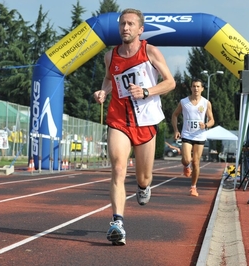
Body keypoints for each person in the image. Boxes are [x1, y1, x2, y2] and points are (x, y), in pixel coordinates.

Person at [93, 8, 175, 246]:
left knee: (144, 176)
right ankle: (117, 222)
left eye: (130, 24)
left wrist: (147, 91)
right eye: (122, 24)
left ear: (140, 29)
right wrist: (102, 91)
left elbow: (170, 82)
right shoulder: (111, 56)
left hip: (146, 120)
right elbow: (109, 80)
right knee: (118, 168)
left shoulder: (150, 51)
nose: (125, 28)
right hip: (119, 119)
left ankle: (143, 186)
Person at [171, 78, 215, 197]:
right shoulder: (184, 102)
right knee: (187, 159)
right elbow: (174, 115)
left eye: (198, 86)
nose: (195, 88)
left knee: (196, 162)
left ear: (202, 89)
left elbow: (212, 120)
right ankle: (186, 165)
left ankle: (193, 187)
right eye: (193, 86)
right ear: (191, 88)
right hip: (187, 134)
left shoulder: (206, 103)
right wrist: (176, 130)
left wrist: (205, 125)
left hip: (200, 135)